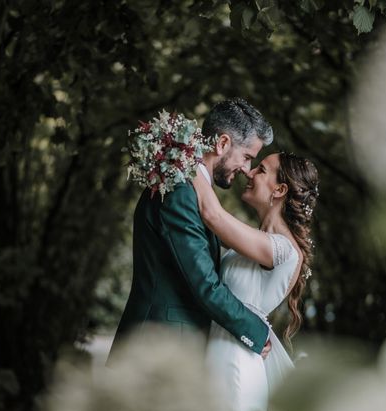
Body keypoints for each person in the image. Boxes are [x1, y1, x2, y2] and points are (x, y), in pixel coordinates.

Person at [107, 98, 275, 362]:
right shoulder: (180, 191)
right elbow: (204, 282)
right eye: (246, 157)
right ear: (222, 144)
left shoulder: (187, 187)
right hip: (156, 350)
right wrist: (254, 330)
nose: (246, 170)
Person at [192, 151, 319, 411]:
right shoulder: (261, 239)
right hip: (223, 347)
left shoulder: (282, 248)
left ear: (280, 190)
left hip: (236, 357)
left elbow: (213, 214)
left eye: (261, 169)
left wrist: (184, 156)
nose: (249, 173)